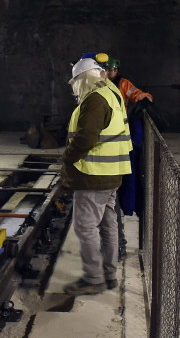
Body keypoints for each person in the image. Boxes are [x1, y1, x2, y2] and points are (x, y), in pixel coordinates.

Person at [60, 55, 132, 295]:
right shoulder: (111, 93)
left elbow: (86, 137)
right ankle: (110, 275)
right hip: (112, 173)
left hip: (93, 175)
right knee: (108, 225)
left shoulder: (94, 100)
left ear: (84, 78)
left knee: (85, 227)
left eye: (76, 82)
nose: (75, 88)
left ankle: (94, 279)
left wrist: (67, 156)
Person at [103, 56, 151, 259]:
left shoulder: (122, 85)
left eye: (112, 70)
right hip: (114, 139)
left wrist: (145, 98)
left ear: (116, 70)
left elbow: (137, 95)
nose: (110, 73)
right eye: (108, 70)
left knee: (110, 202)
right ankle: (115, 247)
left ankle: (115, 248)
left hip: (118, 138)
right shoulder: (102, 86)